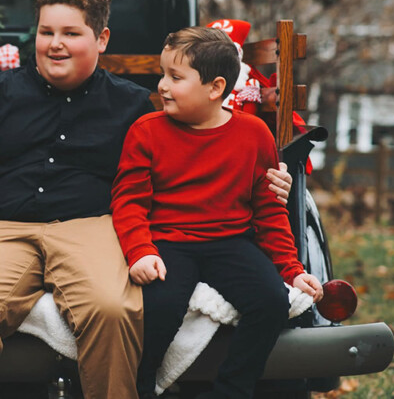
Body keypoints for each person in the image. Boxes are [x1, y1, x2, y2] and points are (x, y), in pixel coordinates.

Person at [0, 0, 293, 398]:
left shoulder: (130, 104)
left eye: (70, 33)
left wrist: (268, 181)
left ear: (101, 39)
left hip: (91, 226)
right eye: (46, 32)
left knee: (113, 307)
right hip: (3, 227)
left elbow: (191, 156)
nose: (55, 44)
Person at [110, 27, 324, 399]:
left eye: (175, 77)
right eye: (163, 74)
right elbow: (129, 202)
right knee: (159, 307)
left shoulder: (254, 134)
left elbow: (269, 212)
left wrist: (291, 269)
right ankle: (140, 389)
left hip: (231, 243)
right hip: (169, 242)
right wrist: (140, 251)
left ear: (215, 88)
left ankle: (231, 390)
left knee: (272, 302)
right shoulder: (146, 131)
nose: (162, 85)